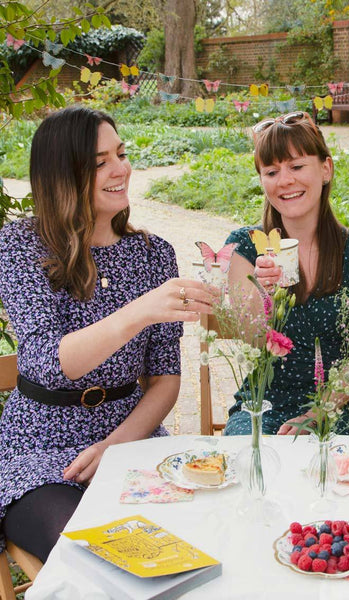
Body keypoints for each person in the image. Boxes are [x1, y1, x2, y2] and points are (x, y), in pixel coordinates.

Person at [0, 105, 219, 562]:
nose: (121, 169)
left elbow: (165, 379)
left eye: (120, 153)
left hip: (131, 437)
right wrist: (139, 311)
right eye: (100, 162)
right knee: (101, 560)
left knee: (200, 540)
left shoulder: (154, 254)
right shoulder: (20, 245)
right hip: (39, 447)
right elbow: (45, 362)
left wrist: (116, 446)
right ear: (63, 175)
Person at [224, 111, 349, 436]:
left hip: (340, 406)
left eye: (297, 167)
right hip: (264, 403)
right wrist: (265, 295)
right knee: (254, 471)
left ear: (325, 169)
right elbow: (253, 340)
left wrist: (317, 413)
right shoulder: (245, 247)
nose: (285, 180)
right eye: (271, 171)